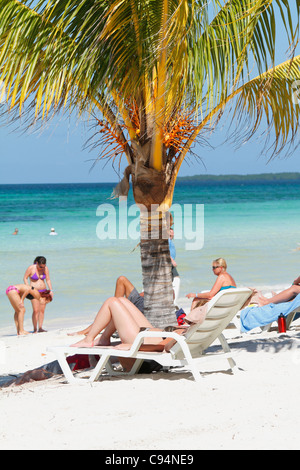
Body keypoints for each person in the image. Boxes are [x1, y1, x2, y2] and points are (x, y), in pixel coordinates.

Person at [71, 296, 187, 353]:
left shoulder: (183, 334)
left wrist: (132, 346)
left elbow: (160, 347)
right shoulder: (192, 330)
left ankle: (89, 339)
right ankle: (104, 338)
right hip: (147, 334)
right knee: (122, 300)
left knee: (112, 302)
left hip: (140, 340)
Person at [69, 276, 144, 337]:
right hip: (141, 300)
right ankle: (113, 317)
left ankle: (87, 331)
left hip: (144, 305)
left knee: (113, 310)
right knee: (121, 279)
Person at [23, 256, 54, 333]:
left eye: (43, 266)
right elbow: (25, 278)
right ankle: (35, 329)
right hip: (34, 291)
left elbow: (48, 279)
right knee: (36, 310)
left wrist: (51, 290)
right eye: (40, 266)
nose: (41, 268)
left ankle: (40, 328)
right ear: (37, 263)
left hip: (43, 291)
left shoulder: (45, 268)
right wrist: (28, 287)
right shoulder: (31, 268)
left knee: (42, 311)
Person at [169, 227, 180, 307]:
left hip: (170, 263)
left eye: (173, 232)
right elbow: (165, 250)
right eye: (170, 232)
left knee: (173, 280)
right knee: (176, 279)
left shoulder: (170, 241)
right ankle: (174, 301)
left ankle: (172, 300)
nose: (172, 233)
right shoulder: (167, 240)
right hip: (169, 263)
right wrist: (172, 260)